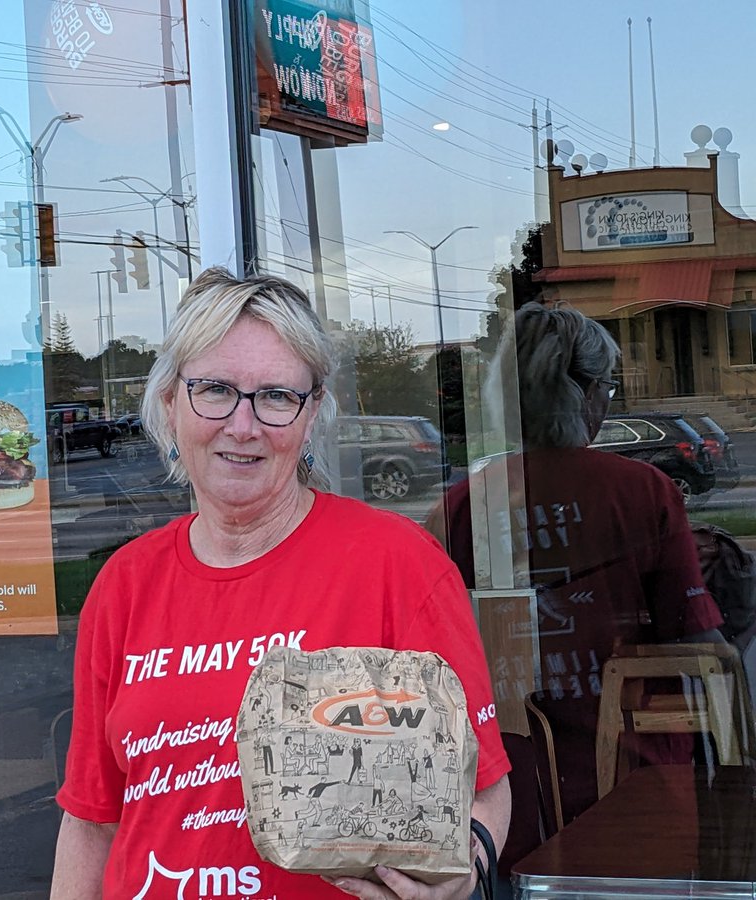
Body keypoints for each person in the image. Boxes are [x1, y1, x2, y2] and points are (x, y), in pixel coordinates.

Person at [52, 268, 511, 900]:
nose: (242, 426)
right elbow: (90, 823)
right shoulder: (124, 585)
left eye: (275, 396)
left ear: (312, 410)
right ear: (169, 402)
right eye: (213, 389)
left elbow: (484, 786)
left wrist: (466, 869)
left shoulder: (398, 565)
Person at [432, 301, 723, 823]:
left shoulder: (461, 508)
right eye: (607, 387)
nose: (607, 403)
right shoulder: (642, 490)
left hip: (507, 793)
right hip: (636, 781)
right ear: (584, 393)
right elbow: (697, 643)